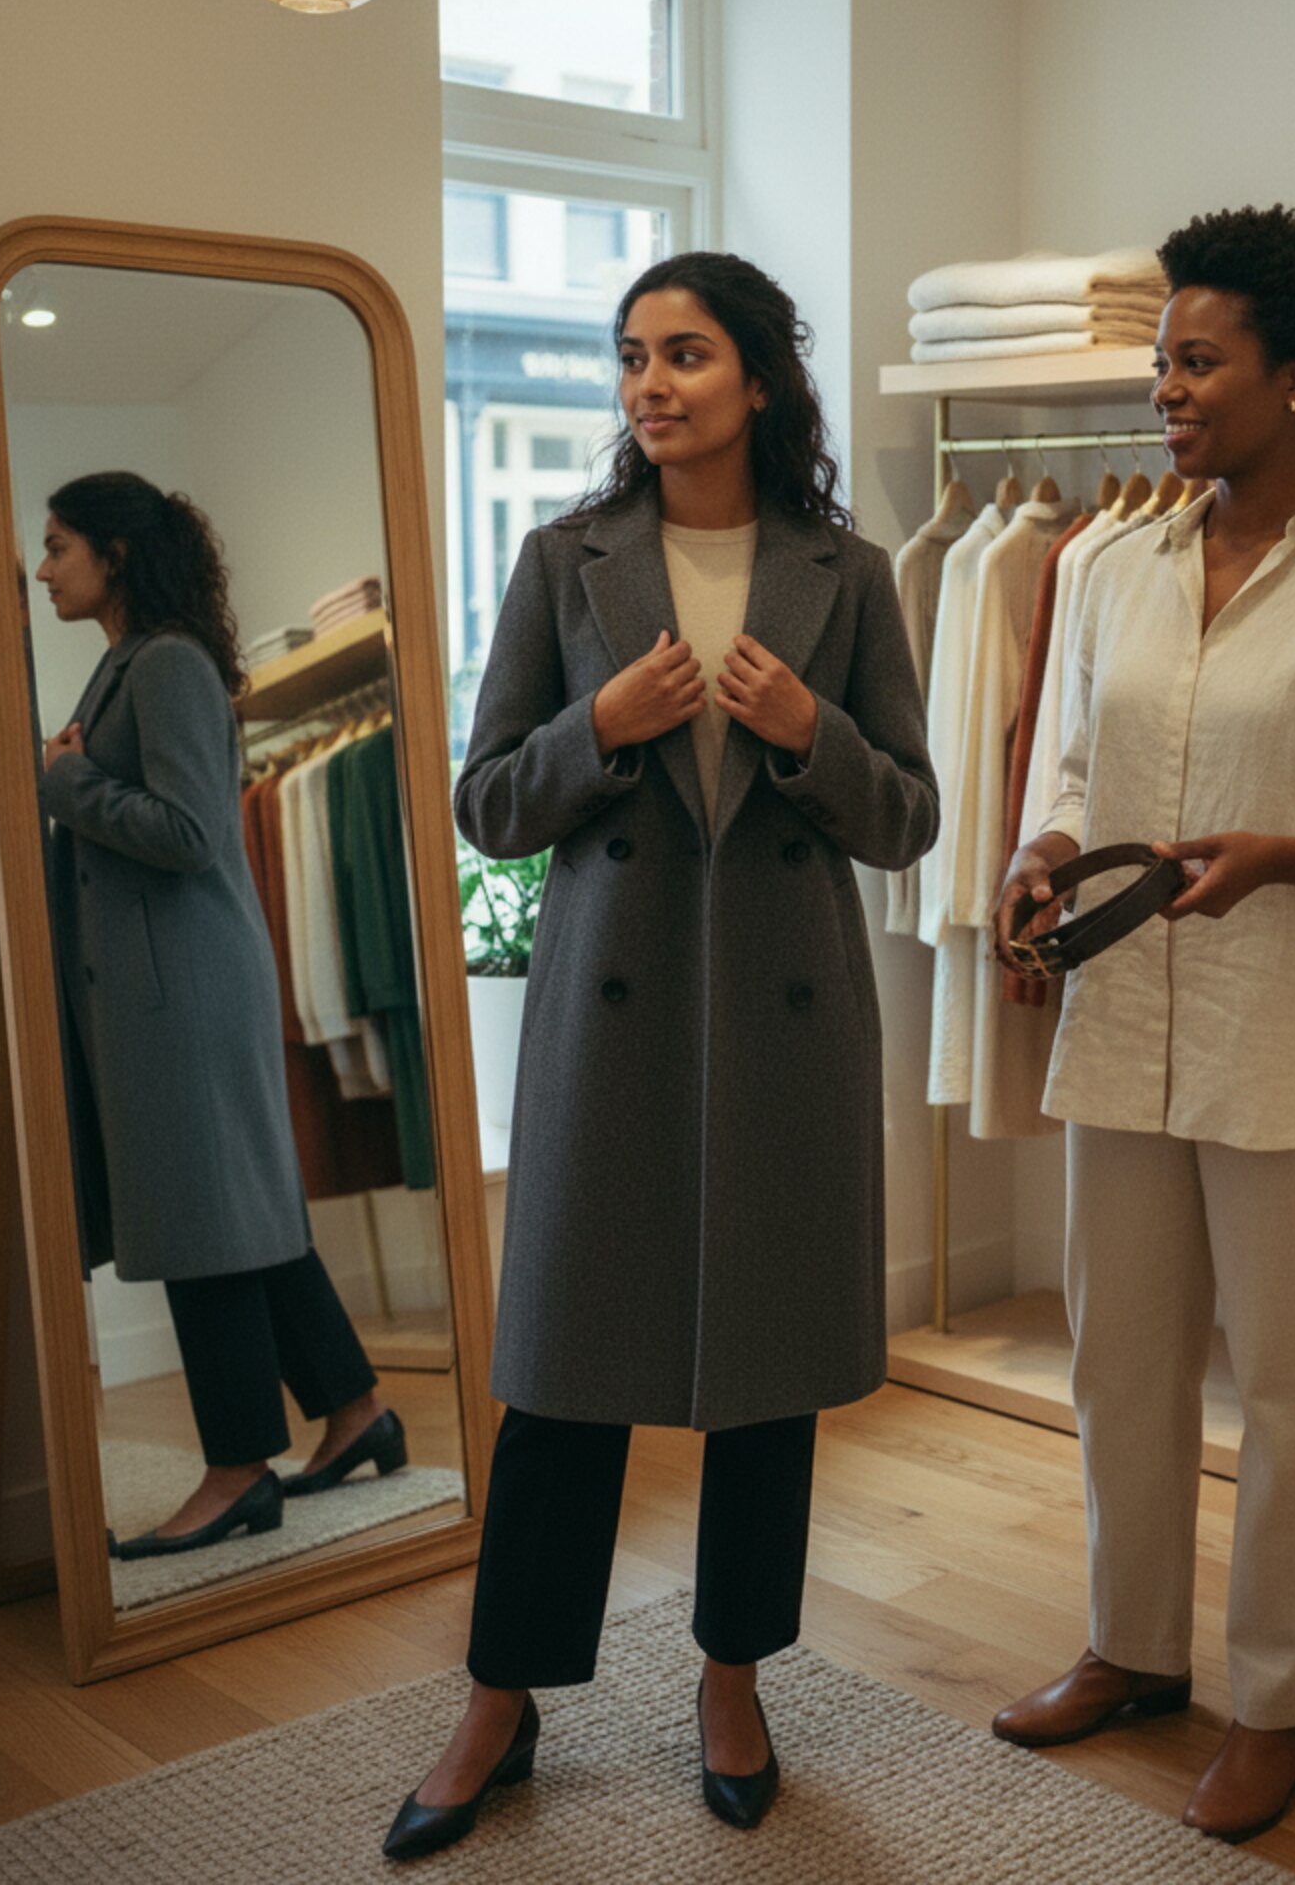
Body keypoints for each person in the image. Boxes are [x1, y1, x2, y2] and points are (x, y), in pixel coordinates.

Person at [387, 253, 936, 1861]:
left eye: (685, 354)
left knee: (764, 1380)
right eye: (632, 357)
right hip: (611, 1022)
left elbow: (908, 815)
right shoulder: (565, 561)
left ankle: (731, 1683)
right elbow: (489, 803)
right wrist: (603, 726)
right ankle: (501, 1699)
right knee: (564, 1378)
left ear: (759, 379)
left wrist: (809, 735)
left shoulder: (848, 572)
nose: (651, 385)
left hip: (785, 1016)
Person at [989, 206, 1295, 1842]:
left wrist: (1290, 855)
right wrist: (1042, 854)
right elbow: (1071, 767)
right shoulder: (1103, 568)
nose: (1165, 390)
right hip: (1126, 1016)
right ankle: (1130, 1647)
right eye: (1160, 361)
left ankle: (1279, 1704)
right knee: (1119, 1368)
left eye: (1197, 362)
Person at [36, 473, 399, 1561]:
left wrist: (66, 784)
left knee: (204, 1226)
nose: (45, 569)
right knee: (240, 1210)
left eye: (58, 546)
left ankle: (239, 1470)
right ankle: (355, 1410)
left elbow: (192, 830)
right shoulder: (129, 664)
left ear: (114, 553)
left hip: (182, 992)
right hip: (170, 987)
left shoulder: (167, 664)